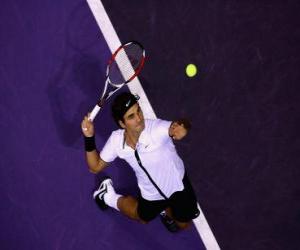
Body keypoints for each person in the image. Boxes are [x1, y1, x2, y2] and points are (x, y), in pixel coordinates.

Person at [81, 92, 199, 232]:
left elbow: (178, 125)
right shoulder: (117, 142)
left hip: (178, 188)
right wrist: (89, 137)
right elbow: (95, 167)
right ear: (122, 123)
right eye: (131, 116)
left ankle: (165, 209)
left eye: (138, 111)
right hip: (151, 194)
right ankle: (107, 196)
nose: (139, 118)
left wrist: (183, 127)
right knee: (141, 217)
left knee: (183, 224)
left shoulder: (157, 129)